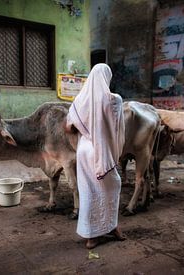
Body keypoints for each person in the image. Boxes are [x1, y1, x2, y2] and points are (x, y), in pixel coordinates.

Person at [66, 63, 125, 249]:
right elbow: (119, 131)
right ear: (106, 78)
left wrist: (86, 129)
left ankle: (95, 234)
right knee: (113, 186)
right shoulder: (115, 100)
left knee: (88, 191)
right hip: (101, 151)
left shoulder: (80, 100)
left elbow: (68, 127)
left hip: (84, 150)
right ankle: (107, 229)